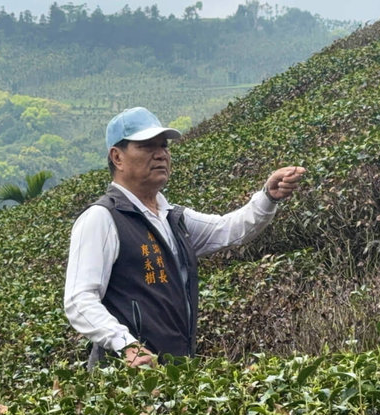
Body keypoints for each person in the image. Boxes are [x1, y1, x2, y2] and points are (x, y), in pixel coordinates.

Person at [63, 106, 306, 368]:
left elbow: (228, 230)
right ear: (117, 157)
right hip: (126, 378)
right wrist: (126, 343)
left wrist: (267, 197)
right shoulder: (102, 218)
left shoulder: (172, 218)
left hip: (174, 372)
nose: (160, 155)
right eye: (146, 146)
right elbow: (79, 299)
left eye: (164, 146)